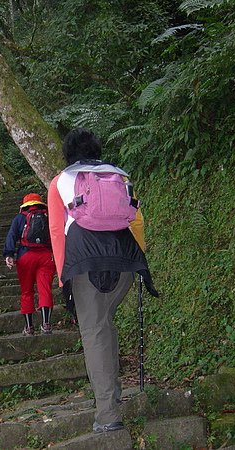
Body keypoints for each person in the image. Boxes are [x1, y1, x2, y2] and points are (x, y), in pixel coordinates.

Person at [47, 128, 159, 434]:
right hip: (124, 259)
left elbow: (57, 231)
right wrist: (139, 258)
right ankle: (112, 397)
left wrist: (62, 277)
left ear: (68, 154)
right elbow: (136, 218)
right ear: (97, 150)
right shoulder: (118, 176)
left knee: (95, 332)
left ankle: (108, 414)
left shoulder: (60, 182)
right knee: (103, 325)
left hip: (85, 263)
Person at [3, 193, 56, 336]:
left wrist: (9, 254)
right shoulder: (49, 216)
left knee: (27, 292)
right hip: (46, 257)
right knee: (45, 289)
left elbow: (12, 235)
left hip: (26, 257)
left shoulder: (19, 218)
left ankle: (29, 327)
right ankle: (46, 325)